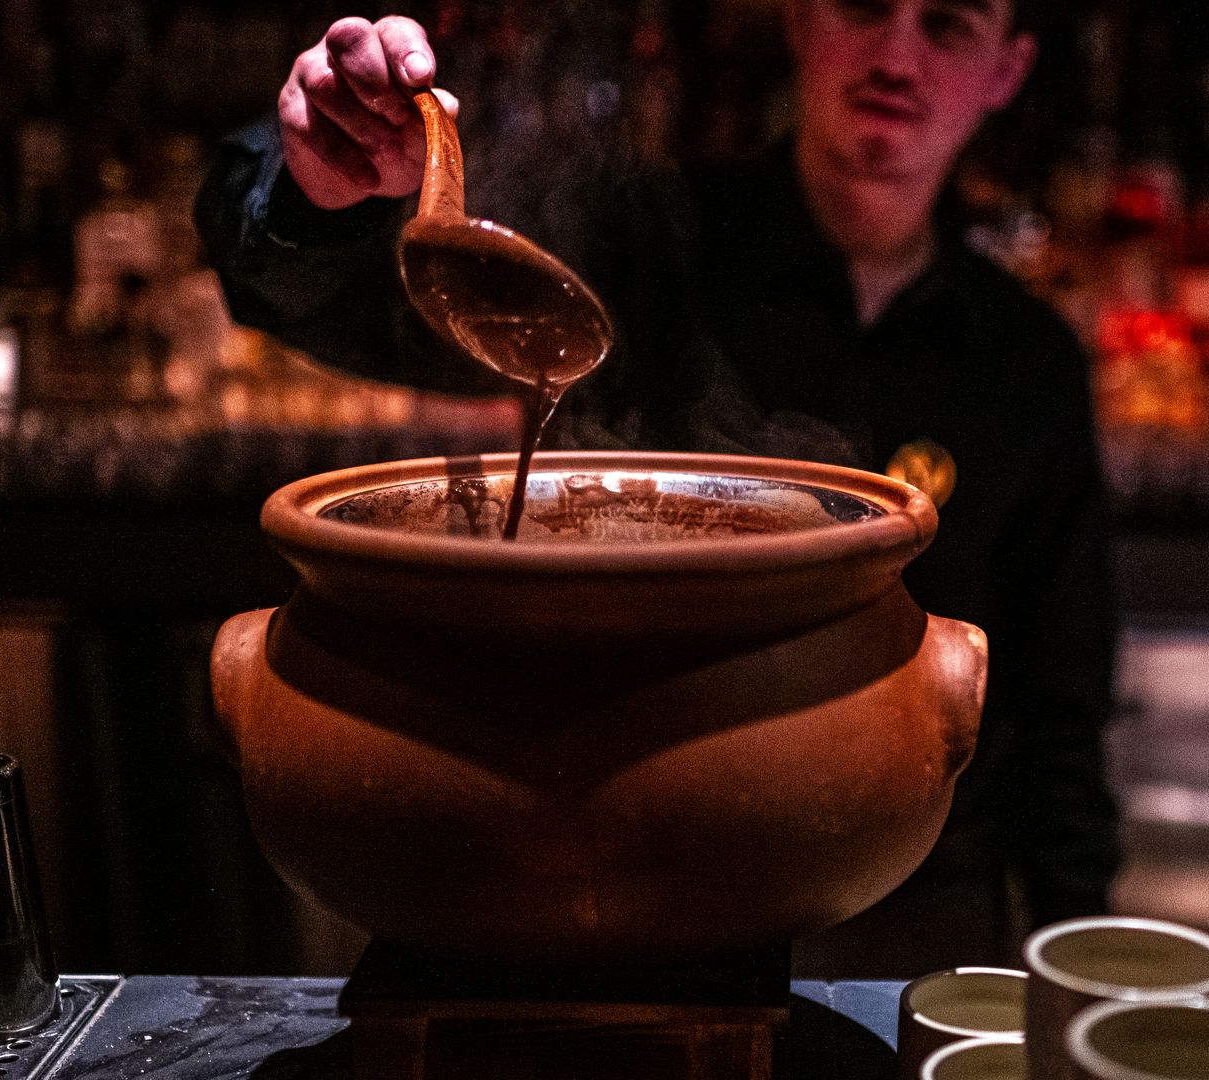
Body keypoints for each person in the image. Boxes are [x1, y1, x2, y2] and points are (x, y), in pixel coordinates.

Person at [197, 0, 1118, 975]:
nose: (896, 53)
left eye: (947, 24)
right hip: (590, 862)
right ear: (801, 20)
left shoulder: (1027, 363)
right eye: (862, 6)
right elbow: (325, 304)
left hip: (906, 893)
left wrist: (1078, 962)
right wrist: (314, 188)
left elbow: (1061, 712)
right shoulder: (653, 246)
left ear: (1007, 69)